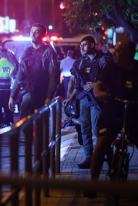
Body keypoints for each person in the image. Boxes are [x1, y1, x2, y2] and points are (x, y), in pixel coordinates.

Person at [88, 41, 138, 196]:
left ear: (130, 53)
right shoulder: (111, 67)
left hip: (134, 110)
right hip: (113, 109)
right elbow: (99, 84)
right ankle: (92, 185)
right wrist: (99, 92)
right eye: (115, 50)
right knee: (101, 143)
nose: (115, 54)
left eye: (119, 51)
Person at [65, 36, 109, 169]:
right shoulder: (79, 63)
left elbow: (109, 78)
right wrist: (70, 97)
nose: (81, 48)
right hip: (84, 100)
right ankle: (89, 157)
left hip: (97, 99)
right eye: (81, 45)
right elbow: (77, 85)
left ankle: (103, 154)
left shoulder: (102, 60)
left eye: (84, 45)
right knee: (85, 129)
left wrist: (95, 84)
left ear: (91, 45)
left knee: (97, 129)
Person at [9, 23, 58, 118]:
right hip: (27, 93)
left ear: (43, 35)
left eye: (36, 32)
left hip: (42, 95)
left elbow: (53, 76)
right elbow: (20, 75)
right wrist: (12, 96)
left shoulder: (48, 52)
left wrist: (49, 97)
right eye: (32, 31)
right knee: (24, 126)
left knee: (41, 127)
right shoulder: (27, 52)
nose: (33, 34)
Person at [0, 48, 15, 128]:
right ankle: (7, 121)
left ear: (0, 54)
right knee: (6, 105)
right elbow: (13, 77)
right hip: (7, 89)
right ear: (7, 54)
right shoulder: (10, 65)